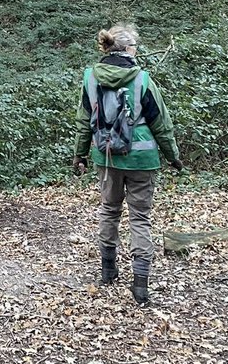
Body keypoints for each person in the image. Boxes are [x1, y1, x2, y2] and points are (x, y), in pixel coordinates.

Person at [72, 22, 182, 305]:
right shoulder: (143, 79)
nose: (137, 51)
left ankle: (108, 271)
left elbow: (85, 122)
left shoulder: (90, 78)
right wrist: (173, 157)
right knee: (140, 217)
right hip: (142, 158)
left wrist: (80, 155)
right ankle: (140, 285)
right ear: (127, 49)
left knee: (109, 210)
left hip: (106, 156)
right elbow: (161, 123)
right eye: (135, 46)